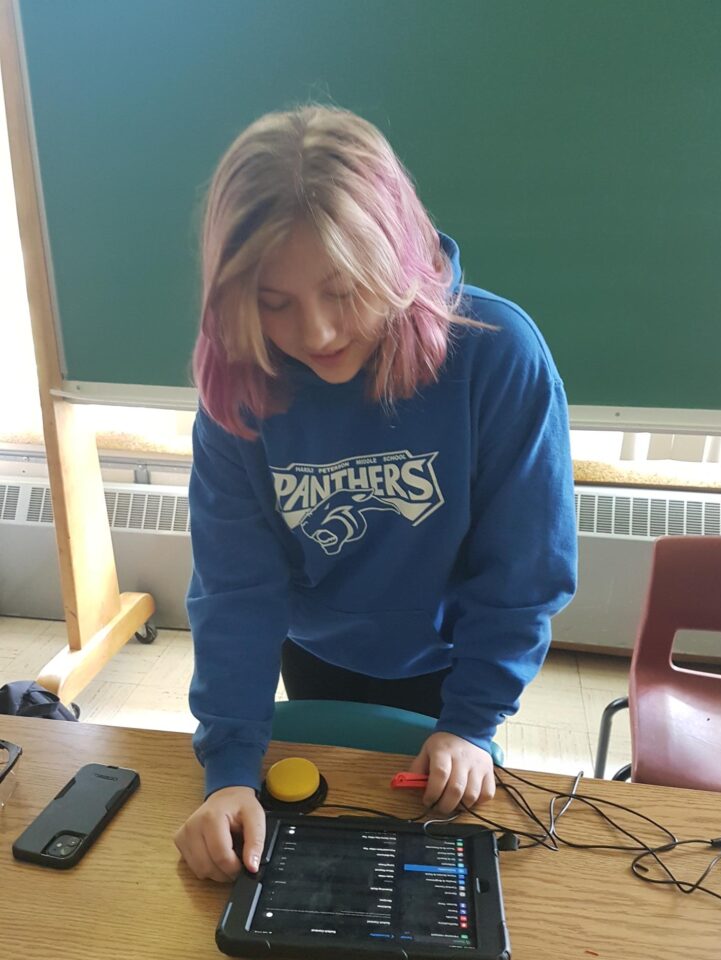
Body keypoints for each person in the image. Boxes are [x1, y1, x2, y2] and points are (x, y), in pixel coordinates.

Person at [174, 105, 577, 883]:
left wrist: (472, 723)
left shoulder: (498, 357)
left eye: (343, 289)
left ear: (397, 255)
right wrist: (228, 768)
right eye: (273, 301)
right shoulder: (242, 387)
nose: (317, 332)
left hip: (457, 663)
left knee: (444, 864)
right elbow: (236, 591)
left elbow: (522, 574)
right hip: (316, 653)